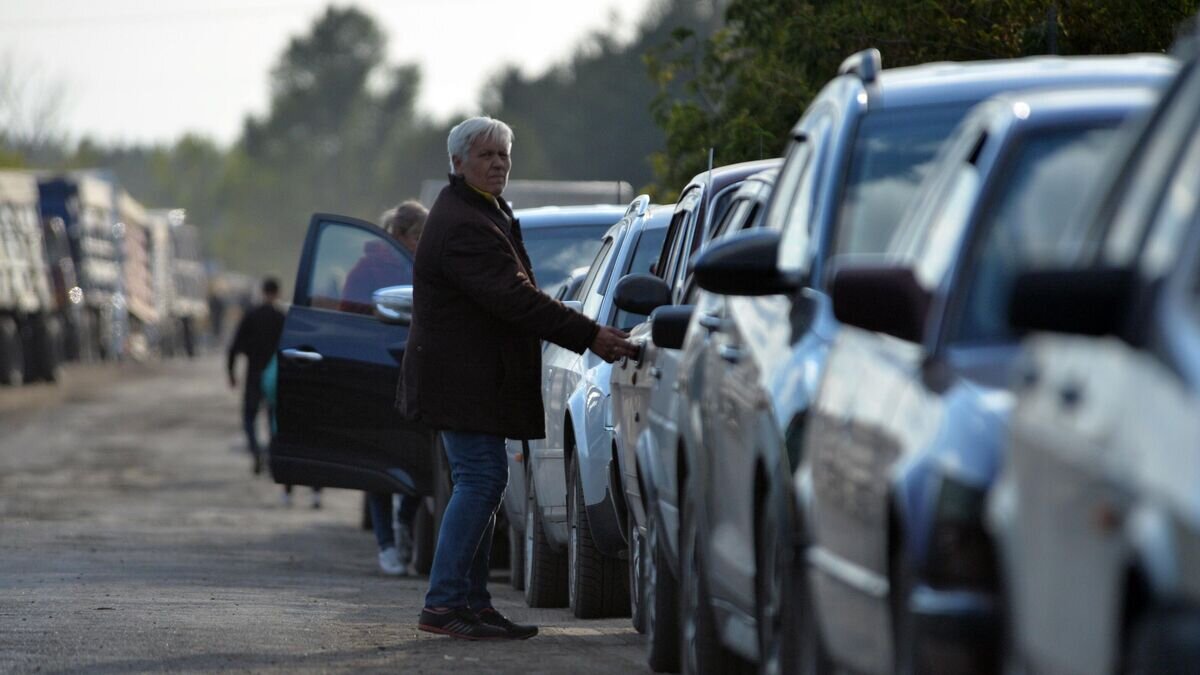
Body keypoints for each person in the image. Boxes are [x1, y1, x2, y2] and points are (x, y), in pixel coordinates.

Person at [397, 116, 637, 640]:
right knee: (482, 480)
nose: (498, 163)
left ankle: (471, 603)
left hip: (473, 381)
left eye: (504, 155)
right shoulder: (465, 222)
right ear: (457, 163)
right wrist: (589, 332)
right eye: (486, 155)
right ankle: (444, 603)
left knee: (483, 480)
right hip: (461, 382)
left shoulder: (484, 211)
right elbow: (514, 297)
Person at [352, 201, 429, 575]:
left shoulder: (426, 266)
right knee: (379, 462)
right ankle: (385, 544)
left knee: (418, 456)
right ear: (399, 235)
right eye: (417, 236)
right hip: (376, 371)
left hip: (416, 374)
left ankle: (404, 521)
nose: (421, 243)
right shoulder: (367, 269)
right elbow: (350, 315)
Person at [227, 277, 285, 475]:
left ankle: (255, 450)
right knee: (273, 419)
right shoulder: (282, 318)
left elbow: (234, 346)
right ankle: (271, 454)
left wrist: (231, 373)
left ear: (263, 292)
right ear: (277, 293)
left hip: (253, 374)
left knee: (249, 417)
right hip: (275, 378)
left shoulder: (251, 316)